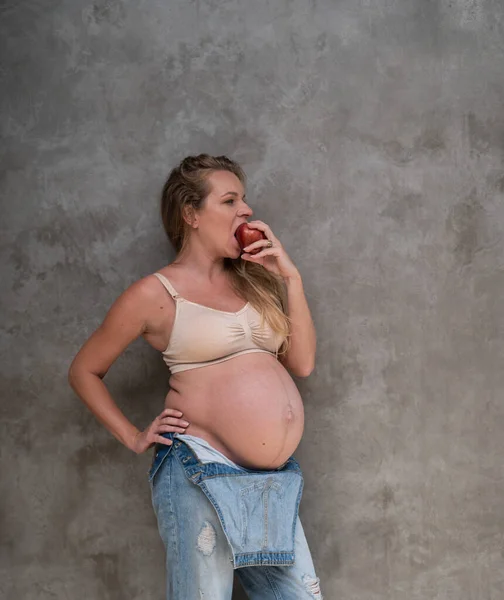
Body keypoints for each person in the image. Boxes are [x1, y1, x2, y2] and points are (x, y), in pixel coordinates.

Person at [68, 154, 322, 599]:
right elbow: (84, 370)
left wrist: (291, 279)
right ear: (191, 214)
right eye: (229, 200)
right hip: (199, 465)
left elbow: (301, 364)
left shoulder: (255, 282)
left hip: (269, 481)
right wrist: (132, 435)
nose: (245, 210)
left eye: (244, 200)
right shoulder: (155, 293)